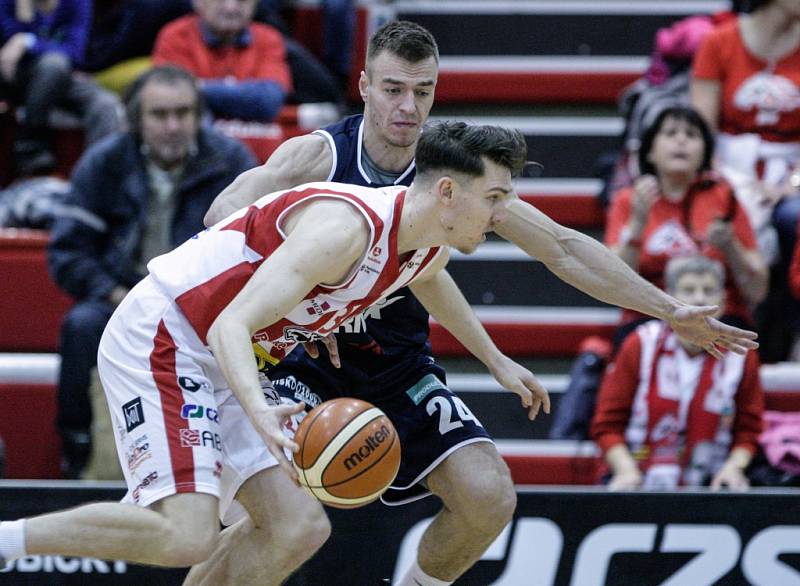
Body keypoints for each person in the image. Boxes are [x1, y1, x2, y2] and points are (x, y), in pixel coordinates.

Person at [202, 21, 761, 586]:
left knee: (488, 497)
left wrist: (668, 310)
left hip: (395, 364)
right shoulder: (317, 157)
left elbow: (563, 248)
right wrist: (300, 295)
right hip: (301, 362)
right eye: (394, 89)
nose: (409, 107)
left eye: (424, 92)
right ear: (366, 85)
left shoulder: (455, 169)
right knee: (274, 523)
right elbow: (220, 219)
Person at [0, 120, 554, 584]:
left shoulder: (424, 239)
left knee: (299, 528)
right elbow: (229, 324)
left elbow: (433, 280)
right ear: (449, 194)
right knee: (186, 535)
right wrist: (259, 410)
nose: (503, 214)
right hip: (167, 335)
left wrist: (495, 360)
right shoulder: (346, 230)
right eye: (496, 197)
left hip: (226, 356)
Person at [47, 65, 256, 479]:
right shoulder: (105, 163)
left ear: (199, 116)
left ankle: (232, 461)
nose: (173, 126)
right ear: (136, 119)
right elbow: (68, 252)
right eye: (160, 115)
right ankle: (78, 448)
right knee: (81, 325)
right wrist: (113, 293)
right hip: (120, 300)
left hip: (200, 309)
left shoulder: (231, 161)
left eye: (183, 113)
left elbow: (254, 251)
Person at [591, 255, 764, 490]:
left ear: (723, 299)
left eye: (709, 290)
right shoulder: (640, 343)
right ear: (668, 298)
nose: (700, 298)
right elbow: (607, 425)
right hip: (639, 475)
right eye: (689, 290)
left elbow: (749, 430)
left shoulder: (741, 353)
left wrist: (733, 469)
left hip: (711, 483)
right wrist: (625, 471)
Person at [605, 105, 768, 342]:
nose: (681, 140)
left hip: (718, 315)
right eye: (671, 133)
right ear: (649, 151)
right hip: (649, 317)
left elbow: (758, 289)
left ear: (705, 152)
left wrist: (730, 245)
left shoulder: (723, 196)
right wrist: (637, 224)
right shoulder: (630, 200)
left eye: (691, 135)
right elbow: (612, 282)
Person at [691, 0, 800, 267]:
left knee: (793, 216)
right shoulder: (718, 42)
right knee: (724, 215)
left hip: (791, 169)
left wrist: (791, 185)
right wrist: (732, 186)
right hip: (730, 166)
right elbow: (702, 134)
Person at [0, 0, 124, 174]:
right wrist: (23, 17)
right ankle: (31, 143)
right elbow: (7, 46)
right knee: (54, 64)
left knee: (106, 104)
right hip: (15, 76)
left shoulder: (77, 2)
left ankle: (100, 176)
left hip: (63, 77)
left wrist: (27, 41)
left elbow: (75, 53)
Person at [152, 0, 292, 123]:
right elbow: (176, 97)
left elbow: (268, 101)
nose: (231, 7)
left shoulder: (269, 38)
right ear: (197, 2)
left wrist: (201, 88)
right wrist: (243, 94)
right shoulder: (174, 36)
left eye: (242, 1)